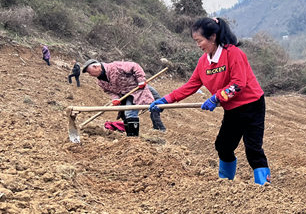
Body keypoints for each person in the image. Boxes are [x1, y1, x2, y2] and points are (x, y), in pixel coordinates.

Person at [149, 17, 271, 185]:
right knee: (223, 146)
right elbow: (191, 85)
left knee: (253, 149)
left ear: (212, 37)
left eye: (199, 40)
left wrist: (216, 98)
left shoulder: (233, 53)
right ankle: (225, 184)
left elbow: (238, 84)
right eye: (195, 41)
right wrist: (166, 100)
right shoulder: (203, 62)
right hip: (232, 109)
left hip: (252, 106)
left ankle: (264, 186)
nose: (198, 45)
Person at [82, 59, 167, 135]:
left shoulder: (115, 66)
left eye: (89, 72)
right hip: (125, 95)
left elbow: (135, 66)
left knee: (156, 105)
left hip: (137, 89)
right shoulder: (101, 82)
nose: (90, 74)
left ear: (96, 67)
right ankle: (131, 136)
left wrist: (141, 80)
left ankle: (159, 129)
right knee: (127, 114)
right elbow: (109, 91)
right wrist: (115, 98)